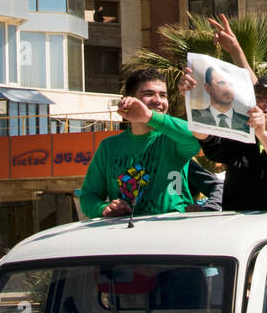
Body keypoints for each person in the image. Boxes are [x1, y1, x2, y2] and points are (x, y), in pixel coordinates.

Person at [182, 66, 267, 223]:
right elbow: (206, 138)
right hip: (242, 231)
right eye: (257, 98)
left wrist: (263, 135)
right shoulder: (240, 133)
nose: (262, 104)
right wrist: (192, 100)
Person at [79, 67, 200, 219]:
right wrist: (104, 208)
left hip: (172, 228)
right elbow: (89, 196)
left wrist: (148, 116)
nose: (158, 100)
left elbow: (195, 138)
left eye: (163, 95)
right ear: (129, 99)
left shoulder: (172, 139)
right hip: (127, 233)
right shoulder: (109, 147)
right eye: (148, 94)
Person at [190, 64, 251, 133]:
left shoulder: (248, 122)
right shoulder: (194, 116)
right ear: (207, 88)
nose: (228, 88)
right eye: (221, 83)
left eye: (231, 84)